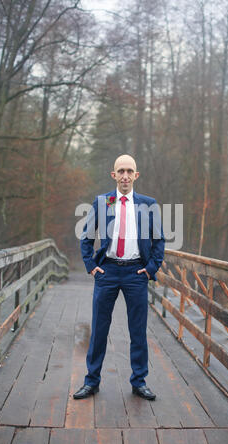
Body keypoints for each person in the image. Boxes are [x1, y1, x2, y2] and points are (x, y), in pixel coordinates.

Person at [73, 155, 165, 400]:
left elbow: (159, 240)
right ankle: (91, 381)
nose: (125, 175)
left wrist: (151, 268)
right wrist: (91, 265)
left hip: (136, 272)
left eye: (129, 171)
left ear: (136, 175)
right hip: (108, 272)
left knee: (138, 330)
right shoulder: (104, 202)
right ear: (113, 175)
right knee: (100, 329)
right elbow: (87, 237)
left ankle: (139, 381)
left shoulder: (148, 204)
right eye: (121, 171)